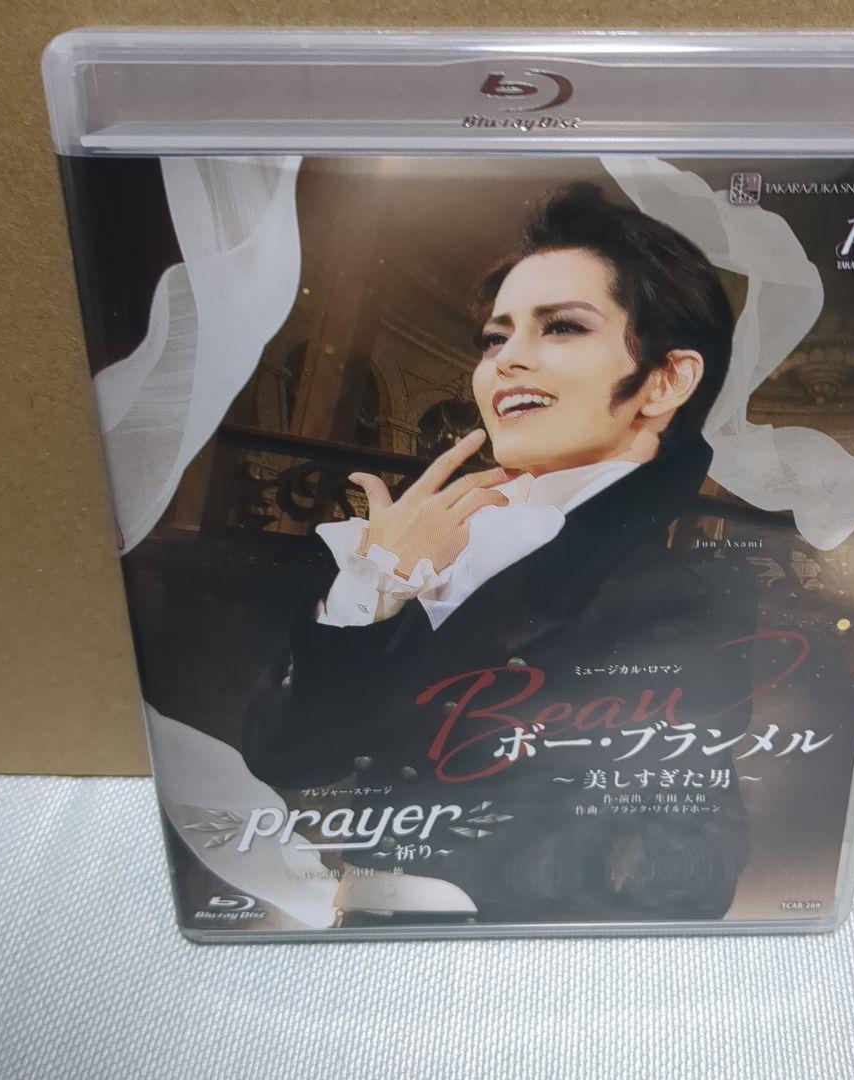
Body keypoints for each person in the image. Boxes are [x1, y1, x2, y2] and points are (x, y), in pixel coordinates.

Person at [242, 183, 758, 923]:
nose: (508, 361)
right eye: (494, 338)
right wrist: (371, 588)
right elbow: (287, 758)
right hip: (358, 935)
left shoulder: (684, 591)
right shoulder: (431, 540)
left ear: (666, 379)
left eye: (562, 328)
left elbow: (686, 877)